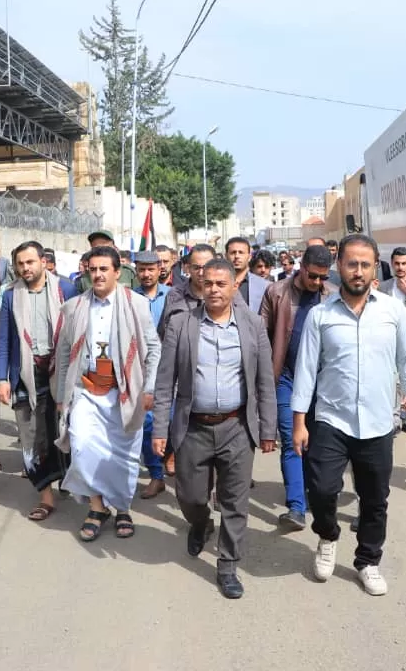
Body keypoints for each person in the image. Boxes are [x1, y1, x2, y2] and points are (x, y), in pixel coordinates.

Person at [291, 234, 406, 596]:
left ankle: (368, 560)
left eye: (366, 264)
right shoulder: (321, 316)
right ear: (340, 266)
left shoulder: (393, 312)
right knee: (321, 489)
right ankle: (328, 536)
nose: (359, 271)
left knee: (375, 498)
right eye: (352, 263)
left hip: (379, 421)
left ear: (374, 267)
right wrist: (300, 422)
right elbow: (306, 371)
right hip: (331, 420)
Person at [153, 258, 277, 599]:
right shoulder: (182, 324)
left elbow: (265, 381)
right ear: (199, 284)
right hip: (193, 426)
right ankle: (200, 523)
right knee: (191, 496)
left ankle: (227, 566)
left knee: (235, 500)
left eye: (221, 284)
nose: (214, 290)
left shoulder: (252, 325)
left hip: (237, 426)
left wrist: (269, 429)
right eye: (208, 283)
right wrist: (160, 430)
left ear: (235, 286)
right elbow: (165, 383)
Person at [54, 246, 161, 542]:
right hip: (86, 390)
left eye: (104, 269)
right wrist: (62, 395)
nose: (98, 274)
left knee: (123, 457)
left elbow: (153, 349)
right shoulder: (74, 307)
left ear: (117, 272)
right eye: (93, 269)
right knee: (82, 447)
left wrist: (149, 387)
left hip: (125, 392)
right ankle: (97, 506)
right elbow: (65, 354)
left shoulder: (136, 304)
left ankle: (122, 508)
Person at [0, 241, 77, 520]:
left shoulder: (65, 289)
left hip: (61, 372)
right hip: (25, 375)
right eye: (20, 264)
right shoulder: (9, 296)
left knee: (61, 430)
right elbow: (3, 340)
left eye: (30, 262)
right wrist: (0, 379)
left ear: (43, 261)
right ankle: (45, 495)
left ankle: (66, 475)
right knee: (30, 437)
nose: (25, 268)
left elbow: (78, 336)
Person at [259, 243, 336, 531]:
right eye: (312, 276)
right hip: (287, 378)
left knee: (316, 443)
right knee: (292, 440)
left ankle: (311, 493)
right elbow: (260, 334)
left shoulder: (332, 297)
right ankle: (296, 508)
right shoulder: (276, 292)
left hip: (322, 383)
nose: (317, 282)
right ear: (301, 267)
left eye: (322, 277)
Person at [134, 250, 171, 498]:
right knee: (148, 425)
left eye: (151, 269)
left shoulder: (173, 297)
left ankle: (173, 461)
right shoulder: (127, 298)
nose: (146, 274)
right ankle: (156, 476)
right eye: (141, 269)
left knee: (173, 421)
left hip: (171, 368)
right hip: (139, 370)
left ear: (160, 270)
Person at [224, 237, 269, 314]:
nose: (237, 256)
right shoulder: (215, 283)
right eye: (233, 252)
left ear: (249, 257)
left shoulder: (265, 286)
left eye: (241, 252)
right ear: (226, 256)